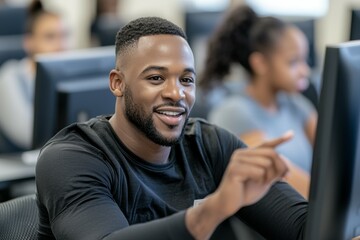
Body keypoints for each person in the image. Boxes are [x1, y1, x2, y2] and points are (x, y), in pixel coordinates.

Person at [36, 16, 308, 239]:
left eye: (186, 80)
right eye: (156, 78)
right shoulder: (70, 159)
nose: (176, 93)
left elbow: (304, 228)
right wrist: (212, 210)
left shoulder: (211, 145)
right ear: (117, 83)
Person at [199, 6, 317, 197]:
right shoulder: (233, 112)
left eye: (305, 60)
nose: (305, 71)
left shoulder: (295, 103)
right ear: (260, 63)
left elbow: (333, 154)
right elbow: (287, 182)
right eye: (293, 62)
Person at [0, 0, 69, 152]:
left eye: (64, 36)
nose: (60, 45)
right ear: (28, 42)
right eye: (50, 37)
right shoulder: (10, 77)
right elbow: (28, 136)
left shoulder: (71, 80)